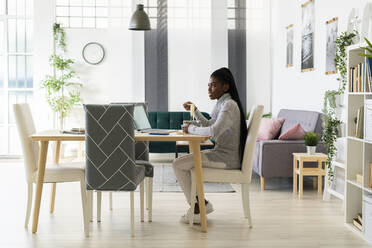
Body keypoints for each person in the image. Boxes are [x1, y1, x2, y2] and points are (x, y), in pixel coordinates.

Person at [172, 67, 248, 224]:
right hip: (220, 153)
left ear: (225, 87)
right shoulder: (222, 103)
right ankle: (201, 205)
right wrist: (196, 110)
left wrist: (191, 129)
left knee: (178, 164)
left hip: (226, 158)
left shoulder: (229, 105)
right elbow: (209, 124)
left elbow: (213, 131)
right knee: (182, 164)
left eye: (213, 85)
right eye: (208, 85)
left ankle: (199, 207)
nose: (209, 89)